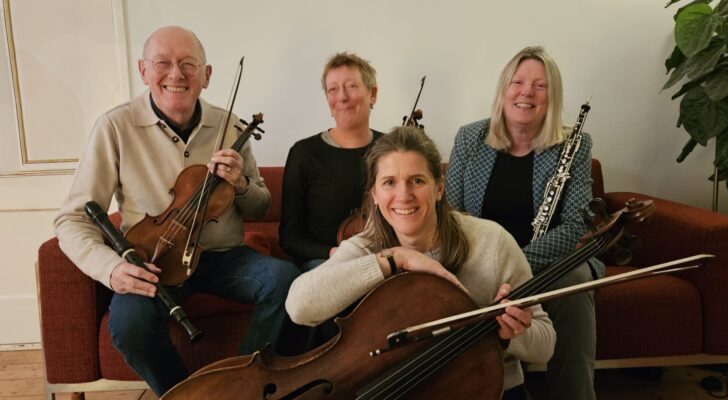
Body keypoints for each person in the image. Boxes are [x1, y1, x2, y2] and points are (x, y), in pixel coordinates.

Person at [53, 26, 299, 396]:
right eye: (162, 63)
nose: (176, 74)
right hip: (155, 261)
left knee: (286, 281)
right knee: (130, 324)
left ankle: (240, 388)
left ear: (206, 75)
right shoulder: (114, 127)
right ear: (143, 71)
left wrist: (241, 184)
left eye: (188, 64)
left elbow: (261, 204)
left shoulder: (231, 126)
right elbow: (72, 218)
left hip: (224, 256)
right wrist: (111, 268)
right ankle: (186, 395)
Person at [286, 126, 555, 399]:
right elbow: (298, 306)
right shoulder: (366, 246)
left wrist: (510, 335)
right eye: (389, 182)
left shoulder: (492, 242)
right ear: (374, 195)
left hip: (486, 391)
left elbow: (545, 345)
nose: (404, 195)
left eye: (416, 180)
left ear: (439, 188)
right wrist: (396, 258)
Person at [446, 46, 603, 400]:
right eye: (517, 82)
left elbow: (576, 225)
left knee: (576, 281)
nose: (526, 93)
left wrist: (518, 264)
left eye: (540, 86)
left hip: (546, 261)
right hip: (482, 260)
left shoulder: (575, 144)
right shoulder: (470, 138)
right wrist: (491, 265)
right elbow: (453, 217)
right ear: (504, 89)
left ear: (552, 96)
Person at [280, 52, 383, 272]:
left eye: (352, 86)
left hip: (383, 258)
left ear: (372, 94)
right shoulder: (304, 153)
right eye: (333, 90)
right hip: (325, 262)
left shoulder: (391, 149)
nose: (342, 97)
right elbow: (289, 237)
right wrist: (333, 253)